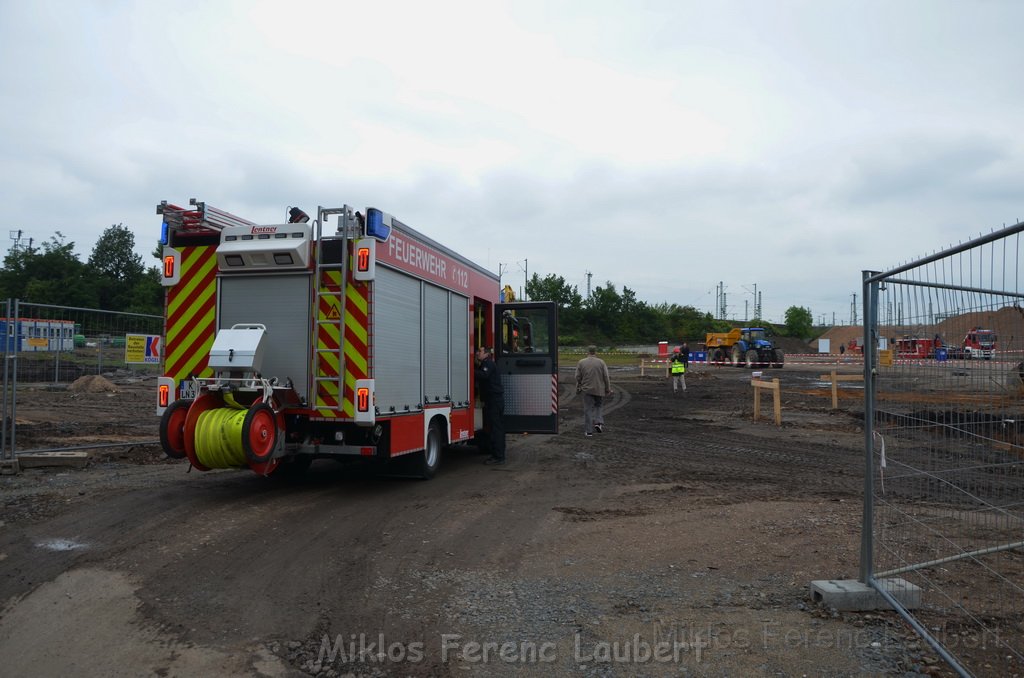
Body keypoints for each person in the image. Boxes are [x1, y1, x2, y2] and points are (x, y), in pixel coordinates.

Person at [474, 346, 505, 464]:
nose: (477, 353)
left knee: (496, 429)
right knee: (495, 428)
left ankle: (498, 457)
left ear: (486, 354)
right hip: (493, 400)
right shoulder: (485, 364)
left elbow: (484, 375)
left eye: (480, 351)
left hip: (494, 400)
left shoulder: (489, 364)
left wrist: (470, 371)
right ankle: (497, 454)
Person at [575, 345, 612, 437]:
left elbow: (577, 376)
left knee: (588, 409)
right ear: (595, 352)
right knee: (598, 406)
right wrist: (607, 388)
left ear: (587, 352)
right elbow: (606, 377)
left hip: (586, 389)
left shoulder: (581, 362)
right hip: (599, 389)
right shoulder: (601, 362)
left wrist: (579, 385)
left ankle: (588, 431)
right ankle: (598, 422)